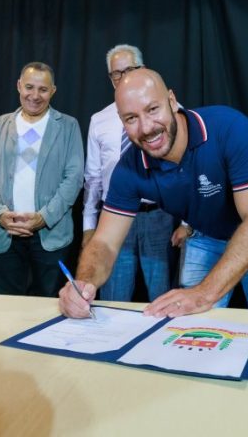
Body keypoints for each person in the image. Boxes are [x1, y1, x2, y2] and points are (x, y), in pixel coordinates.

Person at [59, 68, 248, 318]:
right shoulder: (129, 169)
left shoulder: (229, 127)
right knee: (190, 325)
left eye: (152, 109)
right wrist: (83, 284)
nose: (146, 128)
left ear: (172, 100)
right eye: (131, 118)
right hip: (205, 236)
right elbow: (104, 242)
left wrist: (203, 294)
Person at [0, 62, 84, 297]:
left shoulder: (68, 126)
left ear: (53, 91)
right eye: (29, 87)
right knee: (6, 305)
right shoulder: (0, 125)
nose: (35, 96)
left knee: (49, 305)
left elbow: (74, 178)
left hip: (51, 234)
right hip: (5, 232)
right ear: (19, 86)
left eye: (43, 89)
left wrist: (44, 217)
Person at [83, 44, 176, 302]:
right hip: (113, 217)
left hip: (157, 216)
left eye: (129, 70)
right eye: (116, 73)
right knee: (114, 296)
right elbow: (92, 179)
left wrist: (187, 225)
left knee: (162, 297)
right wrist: (89, 226)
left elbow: (186, 165)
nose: (123, 77)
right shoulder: (99, 120)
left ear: (142, 69)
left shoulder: (165, 111)